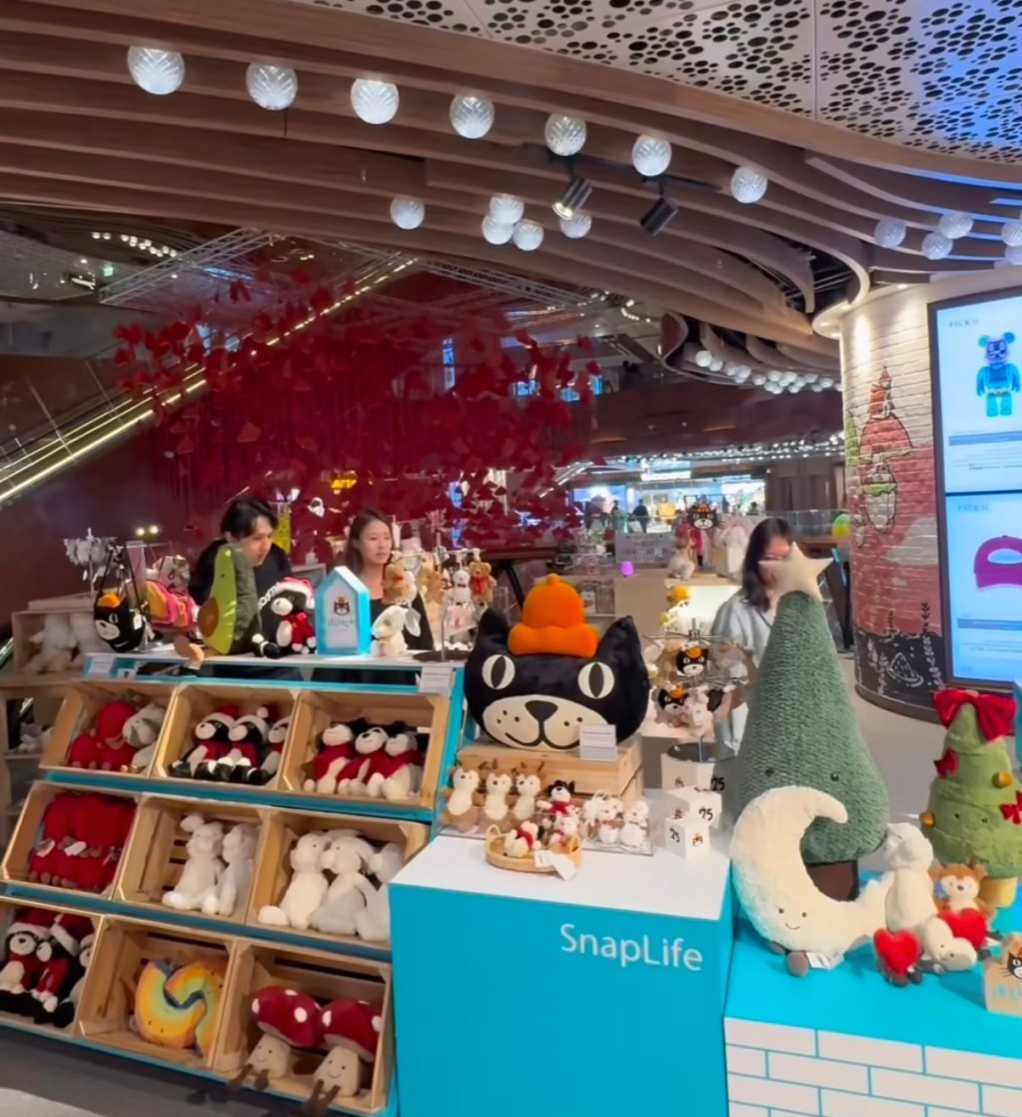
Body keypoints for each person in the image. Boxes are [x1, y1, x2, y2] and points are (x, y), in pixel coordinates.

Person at [710, 517, 794, 754]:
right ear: (754, 559)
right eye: (770, 558)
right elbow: (726, 681)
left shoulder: (801, 604)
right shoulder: (735, 610)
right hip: (752, 732)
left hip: (795, 724)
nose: (778, 567)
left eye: (786, 558)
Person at [344, 509, 434, 652]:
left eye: (387, 538)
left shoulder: (405, 588)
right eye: (373, 538)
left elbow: (425, 645)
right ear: (355, 542)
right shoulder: (345, 592)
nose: (382, 545)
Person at [189, 497, 292, 606]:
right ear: (231, 538)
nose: (266, 546)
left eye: (269, 536)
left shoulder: (276, 556)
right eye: (257, 538)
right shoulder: (213, 564)